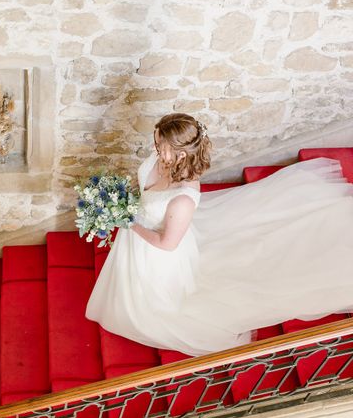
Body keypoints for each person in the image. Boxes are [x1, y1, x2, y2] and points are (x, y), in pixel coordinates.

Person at [86, 113, 353, 356]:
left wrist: (128, 222)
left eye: (160, 147)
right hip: (140, 226)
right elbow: (145, 187)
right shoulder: (160, 159)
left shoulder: (183, 200)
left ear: (179, 154)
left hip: (155, 249)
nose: (155, 150)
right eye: (156, 143)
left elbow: (166, 244)